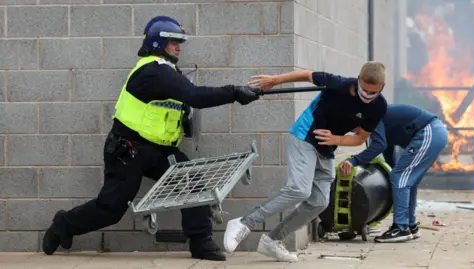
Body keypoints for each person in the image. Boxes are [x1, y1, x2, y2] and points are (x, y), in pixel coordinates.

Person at [42, 15, 260, 261]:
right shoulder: (153, 71)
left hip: (159, 150)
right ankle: (64, 224)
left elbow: (180, 103)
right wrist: (234, 93)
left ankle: (201, 243)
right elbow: (195, 96)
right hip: (129, 149)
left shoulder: (168, 71)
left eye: (180, 42)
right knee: (111, 209)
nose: (179, 47)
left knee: (194, 183)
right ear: (158, 43)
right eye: (174, 42)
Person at [223, 63, 388, 262]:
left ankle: (272, 241)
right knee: (300, 190)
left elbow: (361, 138)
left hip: (326, 148)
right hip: (304, 136)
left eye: (374, 93)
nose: (368, 96)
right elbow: (307, 75)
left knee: (319, 202)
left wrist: (335, 139)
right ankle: (243, 222)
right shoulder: (338, 84)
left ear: (382, 88)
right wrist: (276, 81)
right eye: (365, 90)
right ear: (359, 80)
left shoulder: (379, 106)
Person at [338, 104, 448, 243]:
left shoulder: (371, 118)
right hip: (434, 133)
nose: (356, 133)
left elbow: (379, 146)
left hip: (429, 132)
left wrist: (354, 161)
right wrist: (393, 173)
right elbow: (387, 150)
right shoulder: (375, 123)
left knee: (401, 178)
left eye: (355, 130)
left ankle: (401, 228)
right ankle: (410, 225)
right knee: (407, 181)